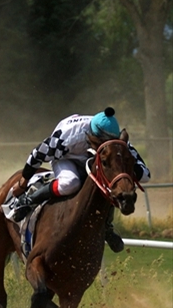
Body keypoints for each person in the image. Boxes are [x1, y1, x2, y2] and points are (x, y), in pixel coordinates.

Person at [10, 107, 150, 252]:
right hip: (66, 158)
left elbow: (146, 174)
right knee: (71, 183)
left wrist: (122, 170)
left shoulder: (116, 141)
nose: (109, 147)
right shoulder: (69, 136)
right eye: (104, 143)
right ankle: (29, 200)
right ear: (94, 136)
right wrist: (23, 182)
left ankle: (106, 227)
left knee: (106, 180)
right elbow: (36, 155)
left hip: (92, 158)